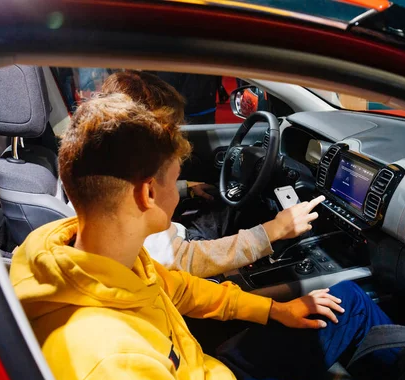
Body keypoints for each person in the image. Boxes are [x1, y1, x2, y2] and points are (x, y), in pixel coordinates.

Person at [10, 93, 397, 380]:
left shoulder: (92, 251)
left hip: (207, 373)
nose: (179, 194)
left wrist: (276, 310)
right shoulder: (108, 365)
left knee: (351, 303)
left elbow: (180, 289)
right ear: (147, 193)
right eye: (175, 181)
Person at [102, 70, 317, 277]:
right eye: (170, 128)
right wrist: (272, 232)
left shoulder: (114, 169)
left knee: (234, 206)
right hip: (185, 248)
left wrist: (185, 188)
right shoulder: (129, 212)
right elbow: (183, 261)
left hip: (177, 234)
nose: (176, 135)